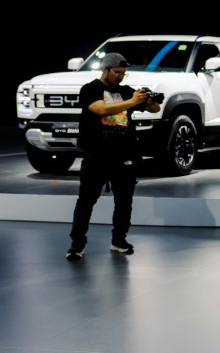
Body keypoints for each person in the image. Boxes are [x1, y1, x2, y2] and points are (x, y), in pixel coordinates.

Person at [66, 52, 161, 261]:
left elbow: (155, 109)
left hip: (124, 155)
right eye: (117, 72)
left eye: (123, 73)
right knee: (86, 202)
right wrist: (132, 101)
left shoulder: (126, 91)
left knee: (124, 202)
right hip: (97, 155)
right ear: (105, 69)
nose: (120, 77)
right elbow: (100, 109)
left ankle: (119, 240)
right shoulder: (90, 89)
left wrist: (149, 100)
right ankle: (76, 245)